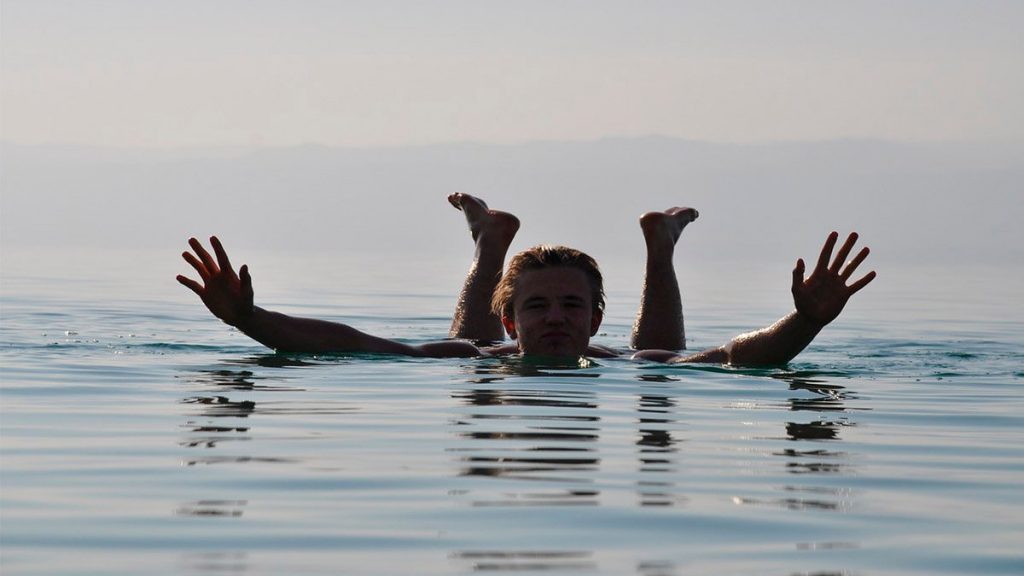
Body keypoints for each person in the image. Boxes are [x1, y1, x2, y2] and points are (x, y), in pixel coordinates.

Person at [176, 194, 875, 366]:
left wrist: (806, 321)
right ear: (512, 323)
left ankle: (658, 248)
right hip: (485, 366)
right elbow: (353, 343)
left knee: (658, 368)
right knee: (465, 361)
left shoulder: (609, 357)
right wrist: (250, 319)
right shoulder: (479, 352)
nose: (556, 318)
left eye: (574, 306)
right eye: (537, 308)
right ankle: (492, 247)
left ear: (595, 320)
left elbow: (729, 357)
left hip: (625, 362)